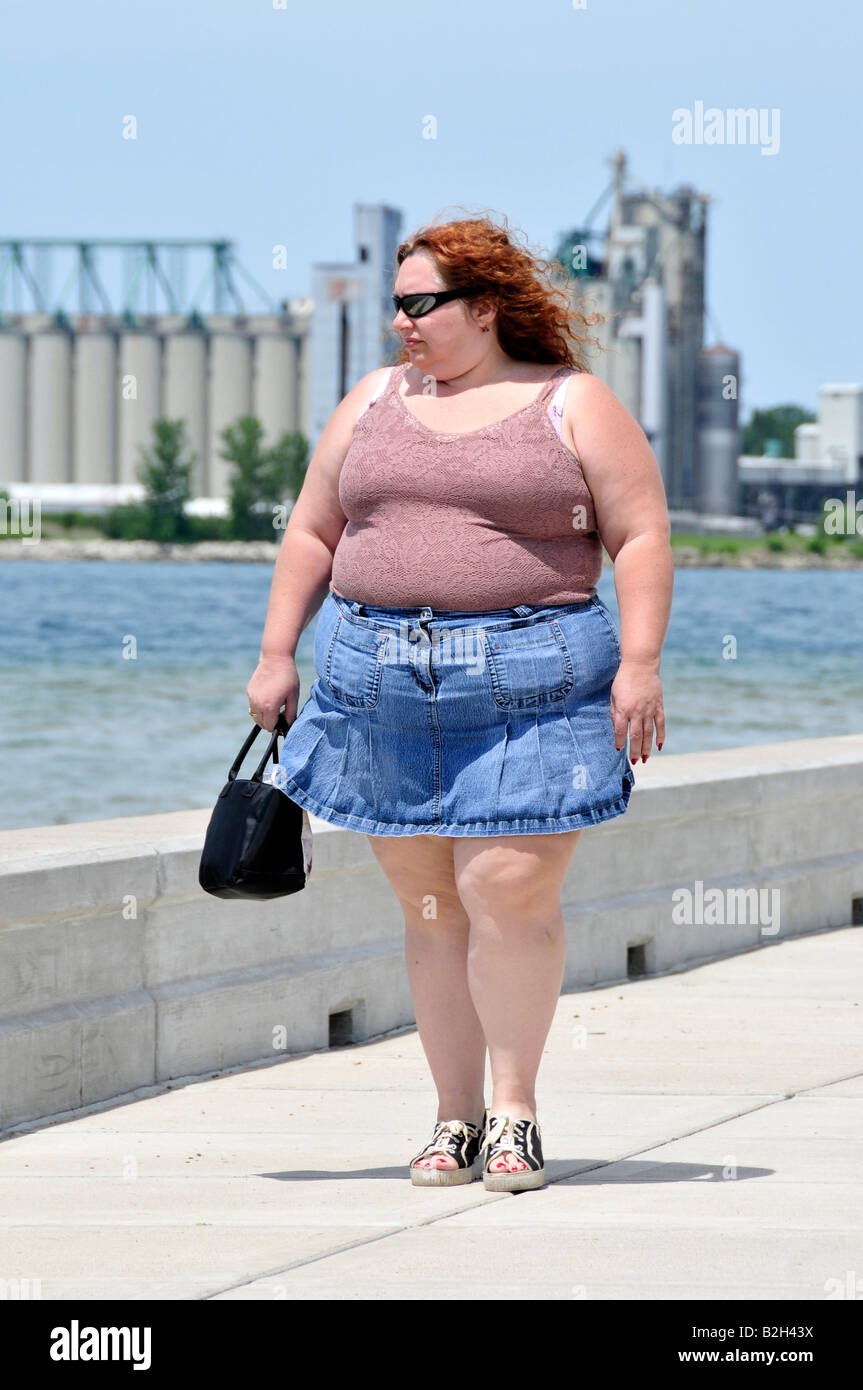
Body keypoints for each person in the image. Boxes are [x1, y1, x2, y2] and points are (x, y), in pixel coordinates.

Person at [246, 212, 672, 1193]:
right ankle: (454, 1119)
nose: (400, 323)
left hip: (536, 676)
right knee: (429, 902)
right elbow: (313, 532)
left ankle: (515, 1112)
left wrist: (638, 663)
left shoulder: (572, 402)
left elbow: (639, 535)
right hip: (376, 678)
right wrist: (276, 652)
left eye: (417, 304)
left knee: (502, 888)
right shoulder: (371, 401)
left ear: (482, 308)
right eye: (396, 305)